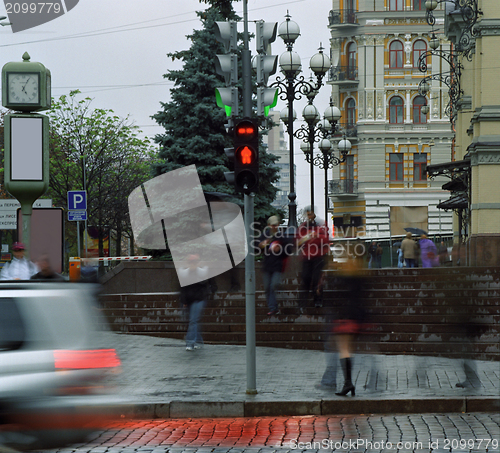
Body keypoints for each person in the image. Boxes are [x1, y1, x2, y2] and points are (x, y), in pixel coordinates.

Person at [297, 207, 329, 312]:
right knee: (305, 280)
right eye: (308, 214)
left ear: (314, 214)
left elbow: (326, 239)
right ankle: (302, 304)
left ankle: (318, 301)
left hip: (318, 257)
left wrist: (316, 237)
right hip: (307, 257)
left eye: (311, 214)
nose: (309, 216)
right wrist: (303, 239)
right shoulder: (303, 226)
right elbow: (297, 241)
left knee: (316, 280)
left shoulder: (320, 225)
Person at [258, 216, 290, 316]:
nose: (275, 227)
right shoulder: (265, 236)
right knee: (268, 287)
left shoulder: (281, 236)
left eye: (276, 225)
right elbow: (257, 248)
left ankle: (273, 307)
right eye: (273, 225)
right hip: (267, 266)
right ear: (269, 225)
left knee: (273, 285)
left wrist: (279, 249)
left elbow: (288, 251)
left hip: (277, 266)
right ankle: (273, 308)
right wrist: (261, 245)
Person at [178, 254, 209, 351]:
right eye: (191, 262)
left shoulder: (202, 272)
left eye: (194, 262)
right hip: (189, 299)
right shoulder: (184, 273)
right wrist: (184, 301)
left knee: (193, 321)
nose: (193, 264)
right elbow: (182, 288)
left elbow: (209, 284)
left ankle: (190, 342)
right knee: (193, 321)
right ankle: (198, 341)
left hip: (199, 299)